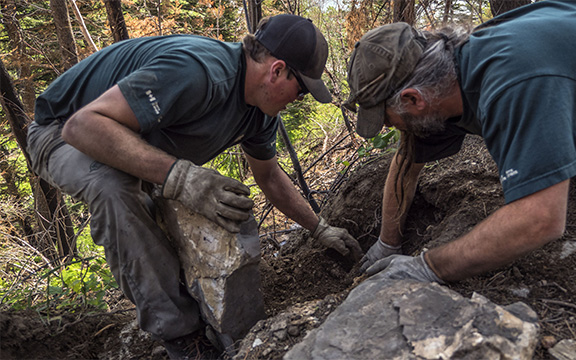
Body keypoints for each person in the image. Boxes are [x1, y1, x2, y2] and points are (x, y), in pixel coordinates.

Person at [27, 14, 362, 359]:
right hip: (61, 130)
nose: (300, 98)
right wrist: (180, 177)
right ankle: (183, 337)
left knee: (169, 192)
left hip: (129, 141)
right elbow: (82, 127)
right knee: (113, 189)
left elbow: (270, 177)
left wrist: (318, 227)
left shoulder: (260, 113)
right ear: (277, 71)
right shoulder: (198, 72)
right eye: (302, 89)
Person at [345, 0, 576, 284]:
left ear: (413, 99)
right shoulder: (452, 72)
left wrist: (428, 267)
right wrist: (388, 244)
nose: (391, 128)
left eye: (387, 119)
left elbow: (540, 217)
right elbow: (407, 161)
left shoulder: (513, 83)